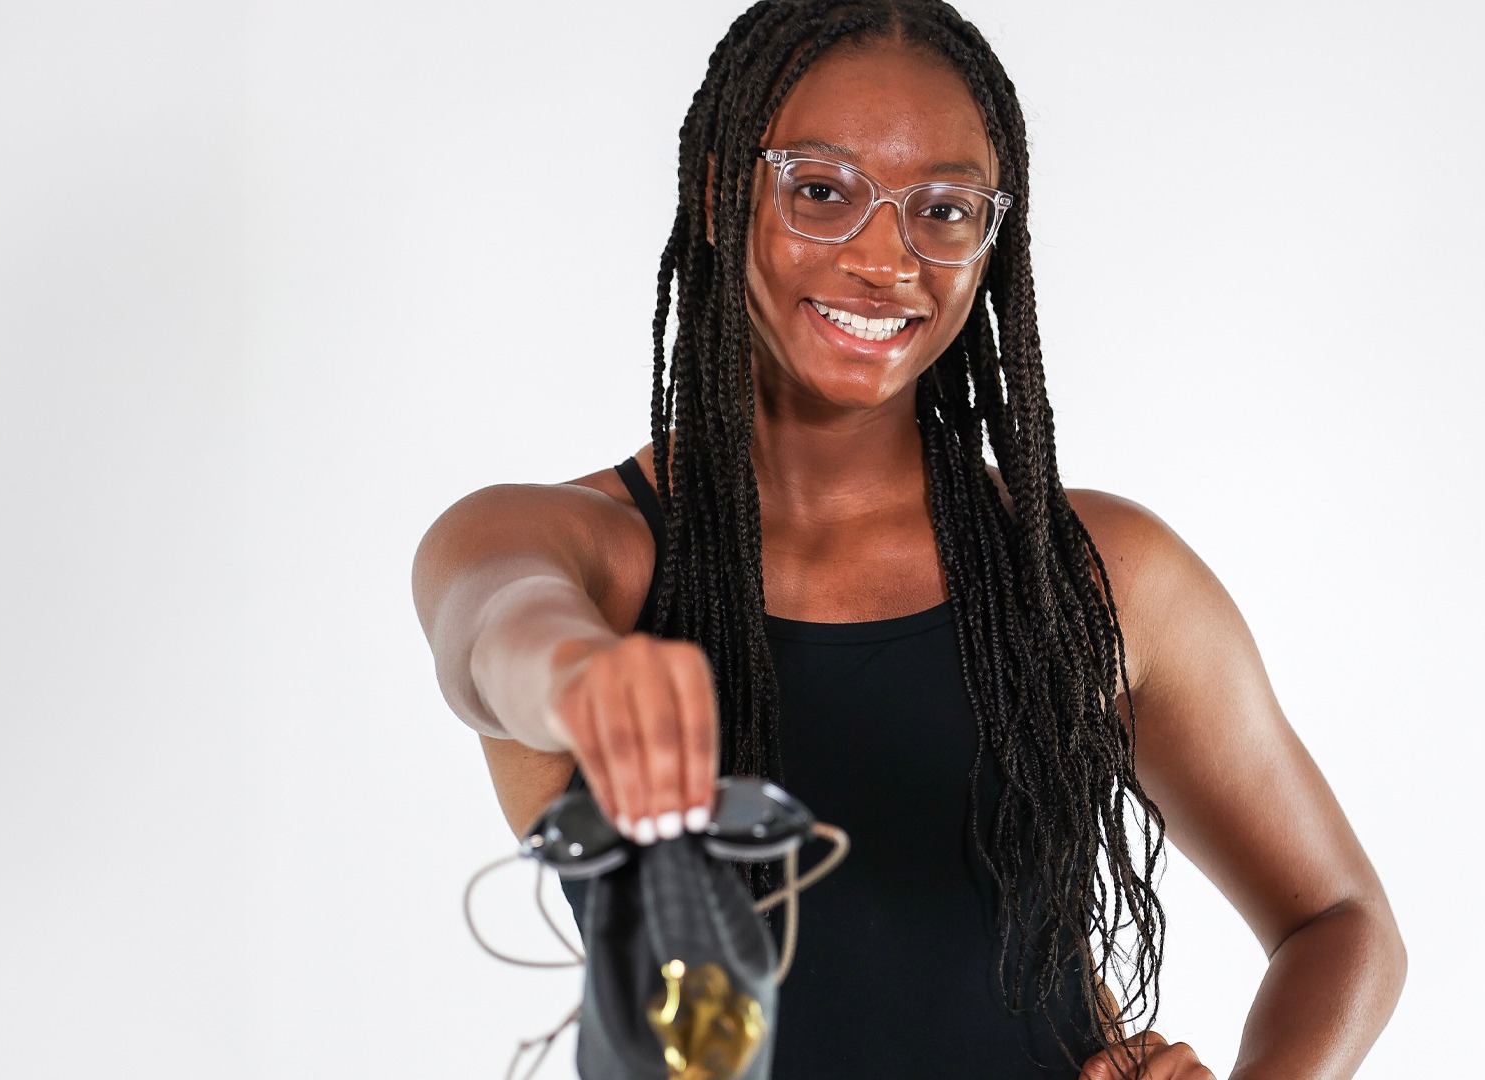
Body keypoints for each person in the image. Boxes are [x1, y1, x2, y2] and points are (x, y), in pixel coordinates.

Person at [412, 1, 1406, 1076]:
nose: (886, 258)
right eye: (822, 191)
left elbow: (1341, 921)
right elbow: (492, 634)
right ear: (717, 193)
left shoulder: (1092, 571)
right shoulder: (573, 549)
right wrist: (580, 677)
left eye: (942, 208)